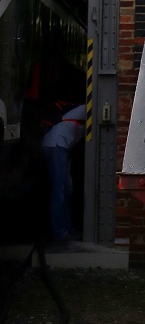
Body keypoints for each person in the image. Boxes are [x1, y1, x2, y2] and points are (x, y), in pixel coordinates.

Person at [41, 103, 86, 242]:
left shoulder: (71, 121)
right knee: (59, 190)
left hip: (58, 147)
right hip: (56, 147)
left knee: (66, 190)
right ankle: (60, 232)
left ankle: (67, 229)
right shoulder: (86, 109)